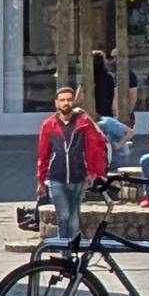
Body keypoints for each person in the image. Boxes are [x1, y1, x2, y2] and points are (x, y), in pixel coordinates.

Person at [34, 87, 109, 244]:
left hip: (78, 176)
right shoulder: (49, 124)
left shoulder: (83, 122)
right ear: (56, 103)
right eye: (62, 100)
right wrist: (41, 180)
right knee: (63, 216)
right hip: (56, 177)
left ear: (73, 101)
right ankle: (65, 251)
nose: (66, 103)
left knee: (74, 218)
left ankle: (73, 251)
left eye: (69, 99)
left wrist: (93, 172)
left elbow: (94, 148)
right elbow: (43, 154)